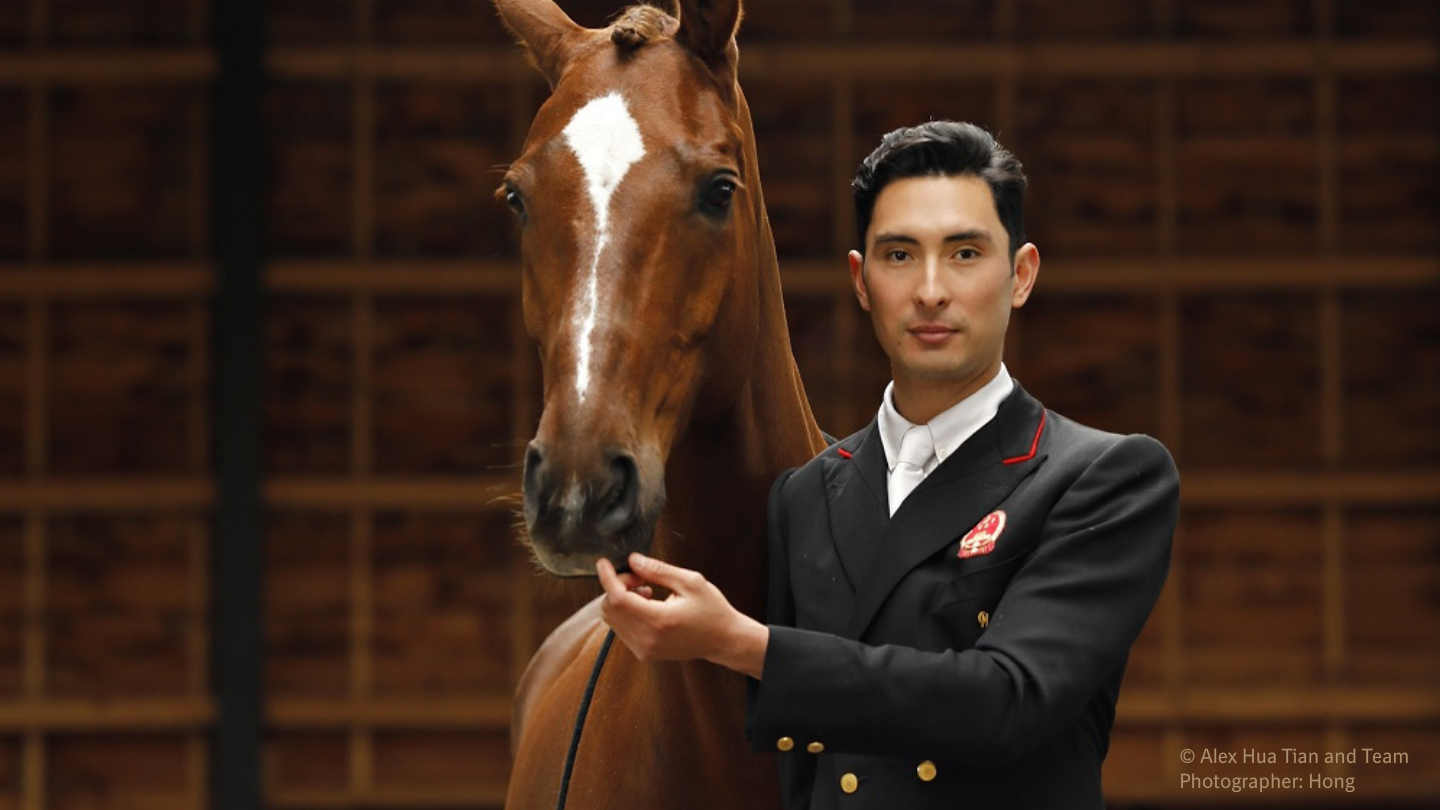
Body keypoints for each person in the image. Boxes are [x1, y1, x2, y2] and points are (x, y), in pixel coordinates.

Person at [596, 120, 1179, 809]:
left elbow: (1007, 701)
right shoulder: (804, 496)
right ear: (861, 280)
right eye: (899, 256)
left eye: (965, 253)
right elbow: (798, 765)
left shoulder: (1103, 476)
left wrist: (745, 645)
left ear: (1020, 276)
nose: (930, 290)